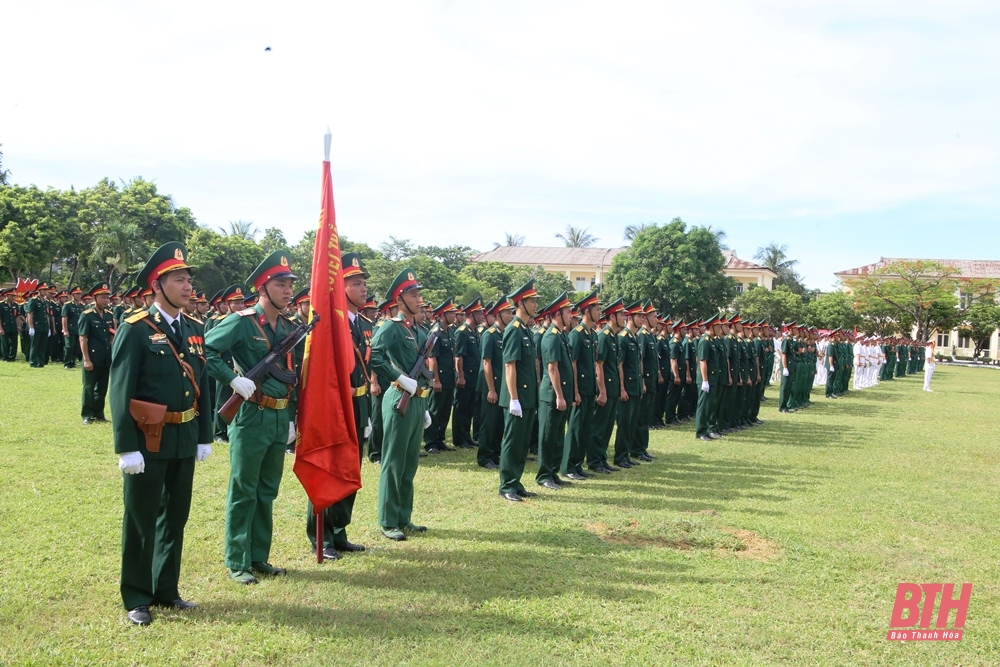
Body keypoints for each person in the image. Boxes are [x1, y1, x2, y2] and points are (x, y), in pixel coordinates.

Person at [109, 242, 213, 626]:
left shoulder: (195, 328)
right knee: (141, 518)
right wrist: (126, 447)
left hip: (184, 438)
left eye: (189, 280)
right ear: (158, 284)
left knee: (175, 518)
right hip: (148, 440)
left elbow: (203, 384)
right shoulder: (135, 329)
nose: (188, 287)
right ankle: (137, 596)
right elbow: (120, 389)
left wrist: (205, 435)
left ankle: (166, 589)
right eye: (180, 280)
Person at [205, 251, 299, 584]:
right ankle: (237, 560)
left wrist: (293, 417)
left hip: (278, 416)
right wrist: (232, 378)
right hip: (251, 413)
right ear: (263, 286)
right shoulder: (242, 321)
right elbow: (207, 350)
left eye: (290, 285)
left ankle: (259, 556)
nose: (288, 291)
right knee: (244, 488)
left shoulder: (289, 327)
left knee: (267, 490)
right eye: (280, 284)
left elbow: (294, 372)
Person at [306, 252, 370, 559]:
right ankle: (321, 536)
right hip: (334, 404)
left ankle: (340, 530)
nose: (363, 288)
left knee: (348, 468)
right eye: (356, 283)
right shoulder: (331, 322)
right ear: (339, 286)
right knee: (328, 465)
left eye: (363, 283)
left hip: (357, 402)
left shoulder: (360, 322)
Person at [368, 267, 434, 538]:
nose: (419, 300)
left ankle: (403, 516)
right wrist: (398, 377)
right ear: (400, 299)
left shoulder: (418, 329)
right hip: (398, 397)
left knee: (409, 462)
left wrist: (424, 405)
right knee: (394, 461)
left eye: (419, 295)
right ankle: (388, 520)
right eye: (414, 295)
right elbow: (375, 357)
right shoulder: (390, 328)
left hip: (417, 401)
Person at [497, 280, 540, 502]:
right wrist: (513, 398)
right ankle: (507, 485)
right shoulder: (514, 330)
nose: (535, 305)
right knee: (513, 441)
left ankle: (516, 481)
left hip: (528, 396)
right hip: (517, 397)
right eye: (532, 301)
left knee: (523, 443)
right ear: (521, 303)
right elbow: (509, 365)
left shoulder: (526, 330)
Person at [536, 292, 575, 490]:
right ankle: (544, 475)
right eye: (568, 312)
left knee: (558, 436)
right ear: (558, 315)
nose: (571, 315)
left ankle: (553, 472)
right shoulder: (551, 337)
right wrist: (559, 395)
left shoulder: (561, 336)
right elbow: (552, 369)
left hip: (562, 395)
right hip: (552, 396)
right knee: (548, 436)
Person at [562, 290, 600, 481]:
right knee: (575, 429)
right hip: (579, 390)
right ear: (587, 311)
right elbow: (573, 364)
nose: (599, 312)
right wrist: (575, 390)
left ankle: (577, 464)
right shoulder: (576, 335)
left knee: (585, 429)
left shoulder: (592, 334)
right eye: (596, 309)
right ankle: (568, 465)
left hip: (589, 388)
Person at [588, 299, 624, 473]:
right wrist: (601, 390)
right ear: (612, 317)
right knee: (599, 427)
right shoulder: (603, 336)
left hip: (612, 388)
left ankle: (601, 458)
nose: (624, 318)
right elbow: (598, 365)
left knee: (608, 426)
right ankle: (594, 460)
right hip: (605, 389)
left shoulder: (613, 336)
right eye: (621, 315)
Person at [477, 298, 512, 470]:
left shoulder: (506, 334)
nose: (511, 315)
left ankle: (496, 454)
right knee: (489, 423)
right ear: (498, 315)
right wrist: (491, 389)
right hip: (492, 385)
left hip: (503, 386)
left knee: (499, 424)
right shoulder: (489, 335)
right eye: (507, 313)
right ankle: (485, 456)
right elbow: (487, 363)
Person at [79, 283, 116, 424]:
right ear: (95, 298)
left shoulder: (109, 315)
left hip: (105, 357)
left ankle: (99, 413)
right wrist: (86, 359)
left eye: (107, 298)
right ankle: (87, 415)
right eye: (103, 297)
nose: (106, 300)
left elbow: (111, 335)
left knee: (102, 387)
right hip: (92, 357)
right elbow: (83, 338)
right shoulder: (86, 315)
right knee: (89, 388)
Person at [424, 298, 458, 453]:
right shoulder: (435, 332)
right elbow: (432, 357)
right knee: (435, 410)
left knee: (445, 411)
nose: (454, 315)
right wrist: (435, 380)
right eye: (451, 313)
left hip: (449, 377)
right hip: (439, 378)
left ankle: (440, 440)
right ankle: (430, 441)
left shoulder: (450, 331)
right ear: (442, 315)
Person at [452, 299, 483, 450]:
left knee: (470, 408)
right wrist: (461, 376)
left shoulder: (475, 332)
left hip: (474, 377)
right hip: (466, 376)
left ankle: (466, 436)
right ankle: (459, 438)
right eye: (479, 313)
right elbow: (459, 357)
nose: (482, 316)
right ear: (471, 314)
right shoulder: (462, 332)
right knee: (461, 408)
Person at [25, 283, 51, 368]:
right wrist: (31, 327)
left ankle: (41, 362)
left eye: (46, 290)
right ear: (39, 291)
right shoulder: (33, 300)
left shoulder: (46, 301)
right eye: (44, 290)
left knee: (43, 346)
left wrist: (49, 327)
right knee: (34, 345)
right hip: (36, 326)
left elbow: (46, 315)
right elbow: (30, 314)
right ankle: (33, 362)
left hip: (44, 326)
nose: (45, 291)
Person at [62, 286, 85, 368]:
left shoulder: (81, 306)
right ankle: (67, 363)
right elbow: (64, 318)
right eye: (77, 294)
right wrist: (65, 330)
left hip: (78, 329)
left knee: (76, 347)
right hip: (70, 329)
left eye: (80, 294)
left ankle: (73, 362)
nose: (79, 296)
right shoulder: (67, 305)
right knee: (69, 346)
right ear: (73, 295)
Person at [0, 288, 20, 362]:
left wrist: (18, 326)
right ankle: (5, 357)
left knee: (14, 343)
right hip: (5, 326)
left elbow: (17, 316)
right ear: (7, 295)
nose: (14, 298)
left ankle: (12, 357)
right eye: (12, 296)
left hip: (13, 326)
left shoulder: (15, 305)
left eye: (14, 296)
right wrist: (0, 328)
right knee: (5, 343)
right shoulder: (1, 305)